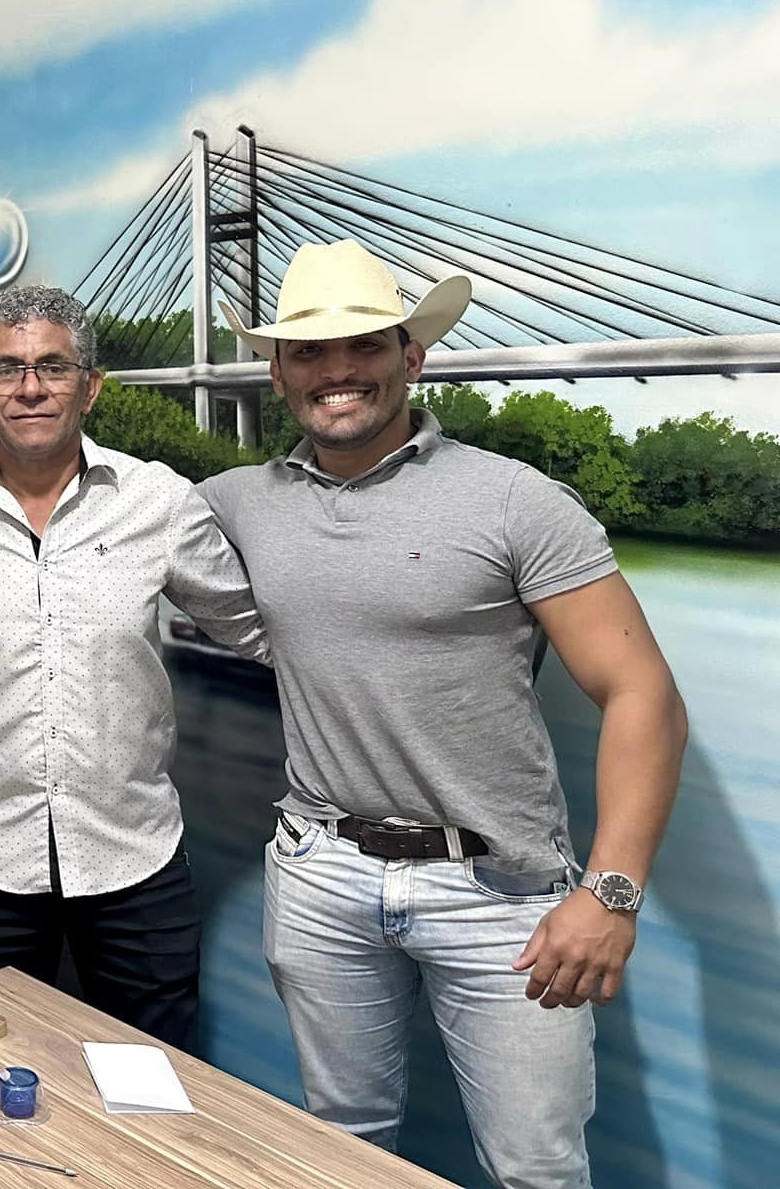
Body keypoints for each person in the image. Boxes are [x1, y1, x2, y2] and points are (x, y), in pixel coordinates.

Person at [196, 239, 686, 1188]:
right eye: (310, 351)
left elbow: (645, 698)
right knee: (341, 1147)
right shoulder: (231, 504)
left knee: (535, 1168)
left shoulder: (513, 501)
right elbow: (94, 511)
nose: (338, 370)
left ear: (412, 356)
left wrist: (613, 892)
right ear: (279, 372)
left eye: (365, 345)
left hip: (502, 897)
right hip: (321, 876)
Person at [0, 285, 267, 1051]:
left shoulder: (157, 502)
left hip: (134, 858)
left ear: (90, 386)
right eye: (7, 370)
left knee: (152, 1091)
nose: (30, 387)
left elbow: (263, 633)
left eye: (53, 367)